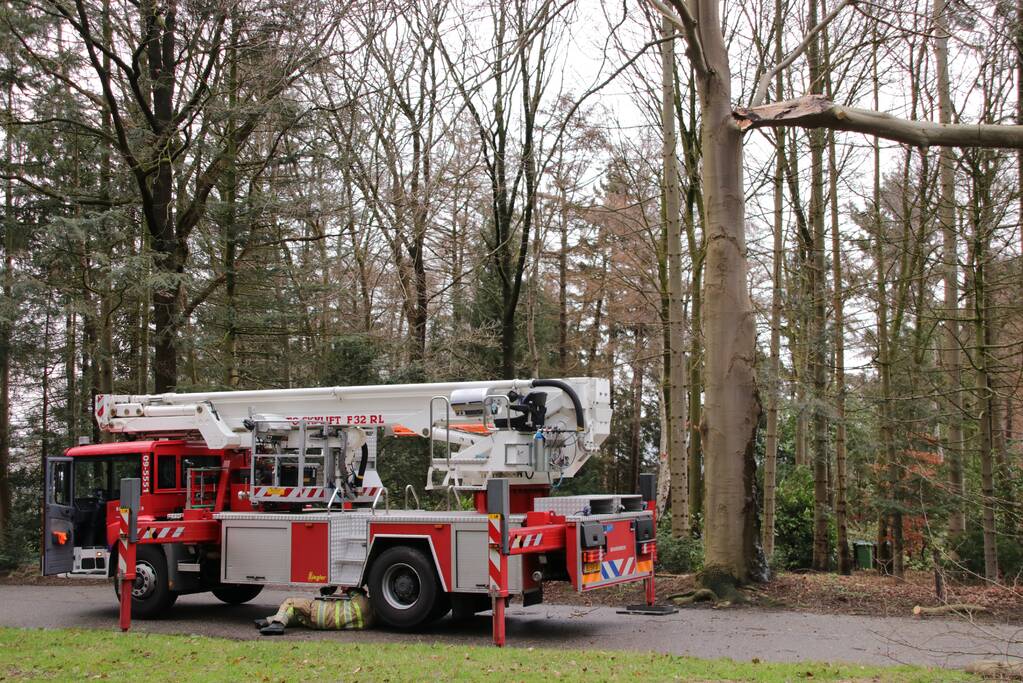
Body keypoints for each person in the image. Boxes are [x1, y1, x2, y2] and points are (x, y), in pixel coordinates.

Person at [256, 589, 373, 635]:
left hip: (318, 612)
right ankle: (268, 621)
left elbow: (350, 587)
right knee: (298, 615)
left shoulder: (362, 602)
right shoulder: (369, 621)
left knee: (290, 603)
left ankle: (276, 624)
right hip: (321, 624)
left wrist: (332, 587)